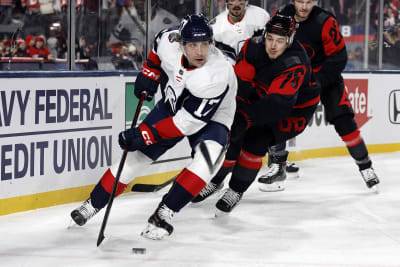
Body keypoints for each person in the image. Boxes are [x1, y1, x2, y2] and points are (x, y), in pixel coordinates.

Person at [70, 14, 237, 240]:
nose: (200, 52)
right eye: (193, 45)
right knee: (134, 160)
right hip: (171, 105)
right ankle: (92, 204)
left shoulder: (216, 74)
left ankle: (164, 213)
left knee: (207, 162)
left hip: (212, 118)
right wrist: (150, 71)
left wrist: (145, 134)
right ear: (180, 43)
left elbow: (186, 123)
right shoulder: (169, 41)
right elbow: (158, 47)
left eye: (205, 44)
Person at [193, 14, 320, 214]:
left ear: (290, 40)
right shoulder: (253, 45)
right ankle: (217, 181)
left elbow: (277, 104)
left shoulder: (295, 62)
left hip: (293, 110)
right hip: (263, 94)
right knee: (234, 136)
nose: (273, 46)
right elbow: (239, 81)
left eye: (280, 41)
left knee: (255, 139)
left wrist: (245, 118)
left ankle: (236, 190)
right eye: (270, 38)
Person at [264, 0, 379, 191]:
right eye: (300, 1)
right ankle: (278, 167)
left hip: (325, 79)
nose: (304, 6)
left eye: (309, 2)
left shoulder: (325, 21)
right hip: (296, 76)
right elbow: (274, 47)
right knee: (277, 113)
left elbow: (339, 56)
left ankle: (366, 167)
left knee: (344, 121)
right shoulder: (283, 16)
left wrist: (316, 81)